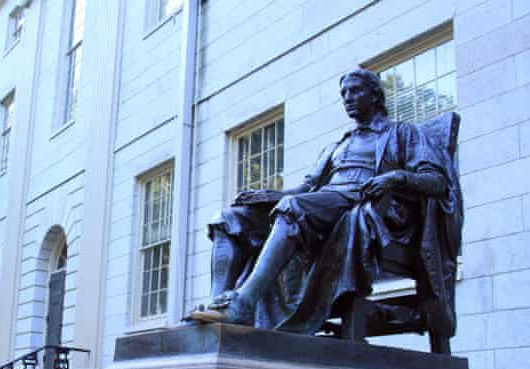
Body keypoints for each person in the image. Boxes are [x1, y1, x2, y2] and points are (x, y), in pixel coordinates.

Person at [191, 67, 462, 338]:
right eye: (343, 93)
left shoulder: (403, 133)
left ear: (376, 95)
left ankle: (244, 304)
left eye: (355, 90)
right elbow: (307, 187)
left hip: (365, 201)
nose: (347, 97)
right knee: (228, 219)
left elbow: (437, 181)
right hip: (325, 203)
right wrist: (271, 195)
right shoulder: (338, 145)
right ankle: (220, 309)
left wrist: (395, 177)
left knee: (292, 208)